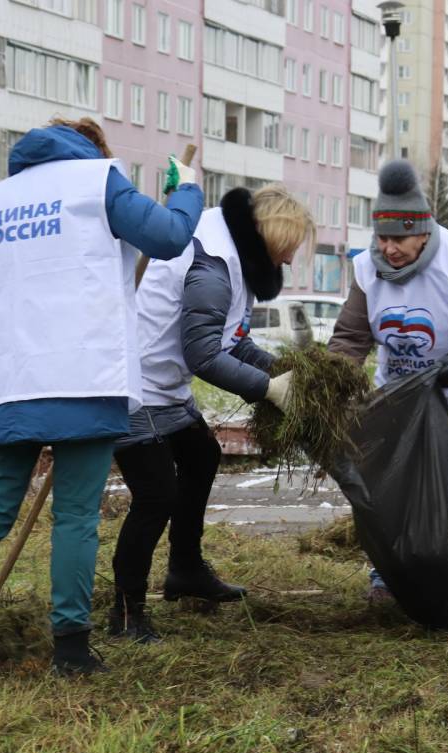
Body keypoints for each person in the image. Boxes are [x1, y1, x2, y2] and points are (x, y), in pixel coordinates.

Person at [0, 117, 204, 680]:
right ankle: (70, 650)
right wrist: (187, 187)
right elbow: (168, 237)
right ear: (91, 151)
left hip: (10, 377)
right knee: (76, 516)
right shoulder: (99, 181)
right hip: (84, 374)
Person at [108, 184, 314, 642]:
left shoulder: (232, 258)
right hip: (132, 387)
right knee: (156, 495)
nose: (288, 262)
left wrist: (284, 371)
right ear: (271, 236)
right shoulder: (213, 266)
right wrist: (268, 389)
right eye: (288, 250)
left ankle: (185, 570)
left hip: (166, 387)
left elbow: (232, 340)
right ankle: (126, 613)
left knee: (201, 454)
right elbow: (203, 354)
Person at [328, 159, 448, 602]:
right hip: (401, 399)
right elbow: (351, 336)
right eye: (382, 238)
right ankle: (388, 581)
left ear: (424, 231)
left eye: (400, 238)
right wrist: (331, 382)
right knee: (393, 492)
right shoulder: (367, 270)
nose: (389, 249)